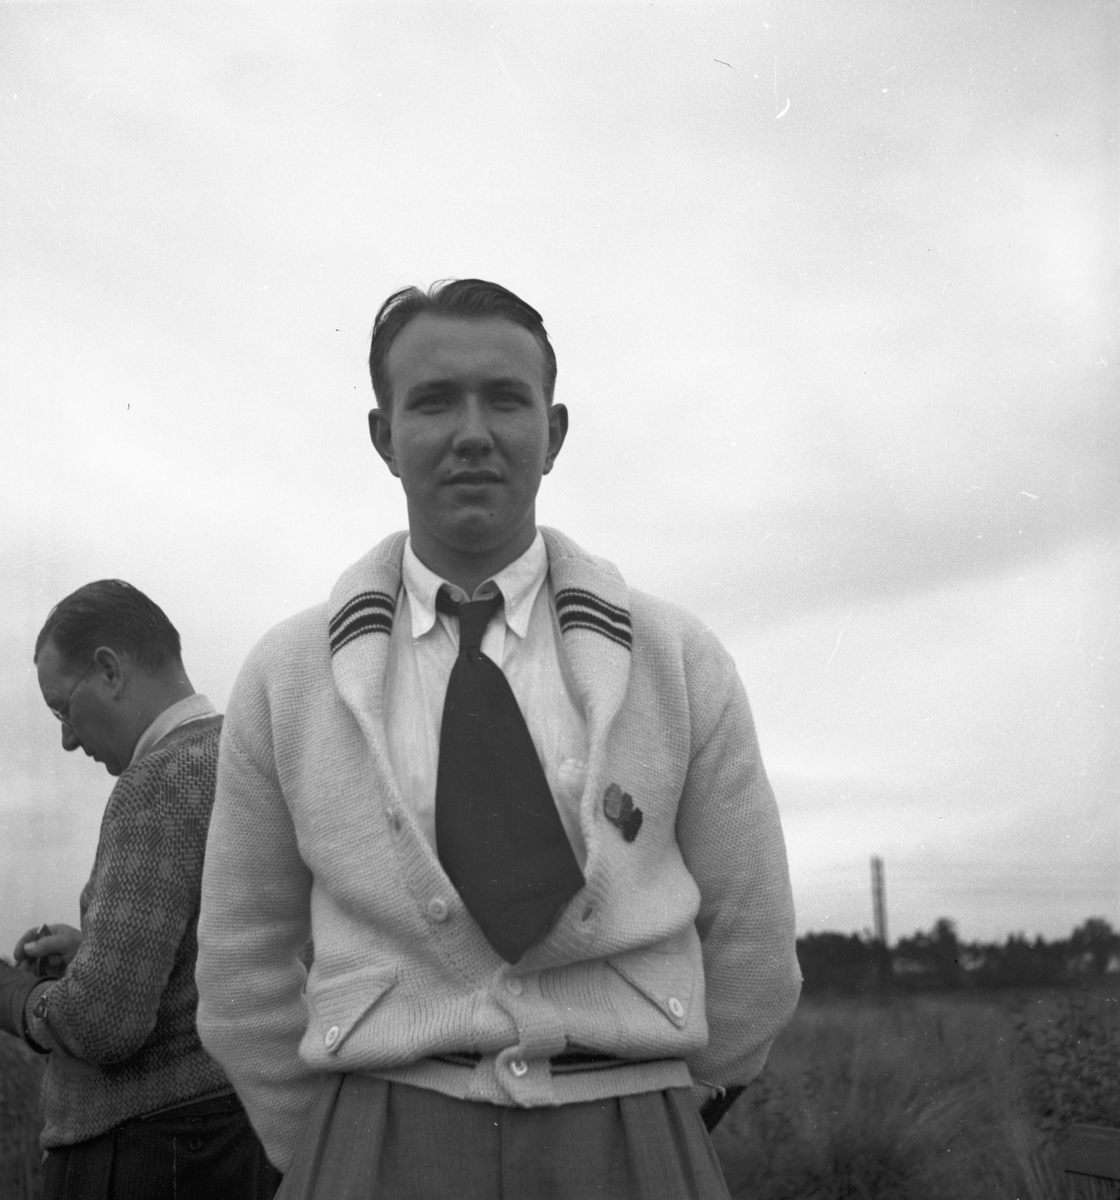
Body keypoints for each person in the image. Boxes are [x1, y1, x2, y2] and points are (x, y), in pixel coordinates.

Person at [194, 279, 801, 1198]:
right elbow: (242, 954)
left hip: (634, 1126)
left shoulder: (677, 659)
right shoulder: (288, 676)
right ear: (383, 436)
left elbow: (753, 935)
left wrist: (665, 1111)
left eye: (505, 399)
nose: (472, 432)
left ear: (554, 433)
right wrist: (326, 1151)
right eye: (434, 401)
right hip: (372, 1133)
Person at [0, 581, 281, 1200]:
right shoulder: (252, 758)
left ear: (109, 670)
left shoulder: (155, 784)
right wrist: (97, 949)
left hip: (146, 1155)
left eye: (62, 711)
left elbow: (104, 1023)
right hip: (246, 1139)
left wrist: (18, 997)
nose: (67, 739)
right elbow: (227, 955)